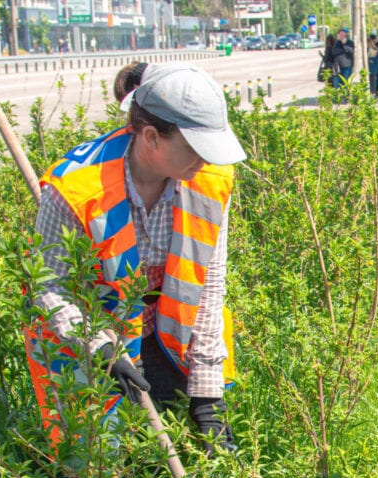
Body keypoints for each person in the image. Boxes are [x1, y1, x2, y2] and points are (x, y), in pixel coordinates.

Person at [26, 62, 246, 452]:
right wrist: (98, 348)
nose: (206, 161)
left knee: (193, 447)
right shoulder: (75, 190)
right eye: (196, 149)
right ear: (151, 136)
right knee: (97, 459)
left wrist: (207, 394)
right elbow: (47, 287)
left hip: (165, 334)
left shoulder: (207, 180)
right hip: (88, 338)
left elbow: (209, 286)